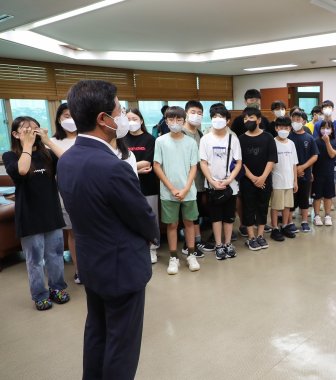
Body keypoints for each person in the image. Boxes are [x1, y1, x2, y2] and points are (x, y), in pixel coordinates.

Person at [57, 80, 159, 379]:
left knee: (97, 332)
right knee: (122, 344)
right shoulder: (111, 165)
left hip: (92, 262)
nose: (124, 115)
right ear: (104, 119)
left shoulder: (69, 158)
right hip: (121, 267)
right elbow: (142, 215)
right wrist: (152, 235)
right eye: (120, 109)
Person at [3, 116, 68, 311]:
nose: (31, 132)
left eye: (35, 128)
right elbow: (22, 170)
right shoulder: (10, 156)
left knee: (55, 255)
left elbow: (69, 161)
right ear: (15, 134)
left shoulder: (47, 154)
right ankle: (40, 294)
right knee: (35, 259)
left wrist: (48, 141)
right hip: (29, 216)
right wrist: (27, 146)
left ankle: (57, 288)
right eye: (25, 129)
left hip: (51, 213)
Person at [153, 106, 201, 274]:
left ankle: (191, 254)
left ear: (184, 120)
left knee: (189, 223)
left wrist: (186, 188)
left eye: (179, 120)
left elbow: (194, 167)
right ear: (166, 121)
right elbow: (157, 166)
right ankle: (173, 257)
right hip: (168, 192)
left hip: (189, 192)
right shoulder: (160, 141)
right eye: (171, 120)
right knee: (172, 225)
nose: (175, 123)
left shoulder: (191, 142)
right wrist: (172, 188)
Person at [199, 105, 242, 260]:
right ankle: (218, 245)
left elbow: (238, 162)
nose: (218, 120)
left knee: (229, 217)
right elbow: (203, 163)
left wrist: (230, 179)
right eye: (215, 117)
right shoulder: (205, 139)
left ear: (228, 120)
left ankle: (228, 243)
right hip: (212, 185)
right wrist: (211, 181)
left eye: (221, 117)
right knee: (216, 217)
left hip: (230, 185)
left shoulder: (233, 139)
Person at [238, 107, 278, 251]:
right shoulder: (240, 139)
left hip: (265, 179)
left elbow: (271, 159)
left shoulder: (268, 137)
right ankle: (251, 237)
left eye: (251, 118)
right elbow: (239, 162)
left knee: (262, 207)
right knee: (248, 208)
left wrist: (262, 177)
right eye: (245, 118)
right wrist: (254, 178)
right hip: (247, 180)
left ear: (259, 120)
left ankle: (260, 235)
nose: (248, 121)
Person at [125, 108, 161, 264]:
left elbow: (148, 163)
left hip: (148, 186)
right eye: (128, 119)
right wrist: (136, 169)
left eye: (134, 118)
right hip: (127, 186)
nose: (131, 122)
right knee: (131, 219)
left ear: (141, 120)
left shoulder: (149, 139)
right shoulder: (121, 140)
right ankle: (136, 248)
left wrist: (126, 166)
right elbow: (117, 162)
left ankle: (153, 248)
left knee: (151, 217)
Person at [50, 103, 81, 284]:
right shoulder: (53, 142)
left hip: (88, 191)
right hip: (65, 193)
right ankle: (79, 269)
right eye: (65, 116)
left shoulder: (86, 138)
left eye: (73, 115)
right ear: (59, 119)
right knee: (73, 233)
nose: (70, 119)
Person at [181, 100, 214, 254]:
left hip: (200, 182)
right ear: (186, 113)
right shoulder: (180, 133)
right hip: (186, 182)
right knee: (189, 214)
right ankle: (188, 245)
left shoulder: (200, 134)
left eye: (199, 113)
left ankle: (198, 240)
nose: (196, 116)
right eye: (193, 112)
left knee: (197, 212)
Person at [286, 110, 319, 233]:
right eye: (293, 120)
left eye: (298, 120)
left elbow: (315, 156)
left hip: (305, 174)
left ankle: (305, 221)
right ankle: (289, 222)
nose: (295, 122)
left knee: (304, 198)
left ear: (304, 121)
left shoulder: (309, 138)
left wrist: (302, 167)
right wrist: (295, 170)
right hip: (290, 175)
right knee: (291, 199)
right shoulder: (288, 137)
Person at [269, 117, 298, 241]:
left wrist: (295, 181)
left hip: (289, 181)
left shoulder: (291, 144)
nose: (283, 130)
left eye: (286, 128)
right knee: (276, 206)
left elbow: (294, 164)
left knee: (287, 206)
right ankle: (274, 228)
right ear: (276, 128)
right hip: (277, 181)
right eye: (281, 127)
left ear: (290, 129)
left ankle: (285, 225)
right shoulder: (272, 142)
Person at [312, 121, 336, 227]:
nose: (325, 130)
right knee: (317, 196)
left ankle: (327, 216)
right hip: (317, 172)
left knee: (328, 196)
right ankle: (317, 216)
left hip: (329, 173)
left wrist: (327, 142)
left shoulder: (334, 142)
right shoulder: (315, 141)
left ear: (332, 130)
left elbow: (332, 155)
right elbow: (313, 158)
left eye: (328, 128)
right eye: (323, 128)